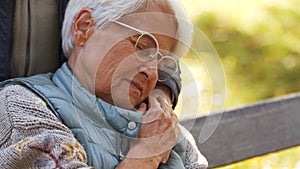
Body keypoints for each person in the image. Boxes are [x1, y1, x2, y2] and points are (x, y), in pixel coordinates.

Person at [0, 0, 208, 168]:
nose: (152, 72)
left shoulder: (167, 131)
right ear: (84, 27)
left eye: (161, 63)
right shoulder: (22, 109)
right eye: (142, 46)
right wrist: (146, 155)